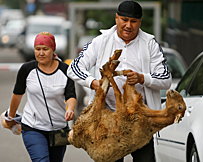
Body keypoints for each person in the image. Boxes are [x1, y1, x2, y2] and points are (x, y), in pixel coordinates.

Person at [67, 0, 172, 161]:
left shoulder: (149, 44)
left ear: (140, 22)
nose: (128, 25)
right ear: (116, 18)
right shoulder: (101, 41)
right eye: (124, 20)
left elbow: (166, 79)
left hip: (140, 121)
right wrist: (93, 83)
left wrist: (142, 78)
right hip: (107, 120)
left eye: (133, 21)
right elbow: (73, 68)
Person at [6, 31, 77, 162]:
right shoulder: (27, 69)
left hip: (58, 129)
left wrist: (70, 109)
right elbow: (17, 95)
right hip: (33, 128)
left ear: (53, 50)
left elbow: (71, 95)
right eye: (37, 49)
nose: (41, 53)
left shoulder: (65, 70)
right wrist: (11, 117)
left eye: (45, 49)